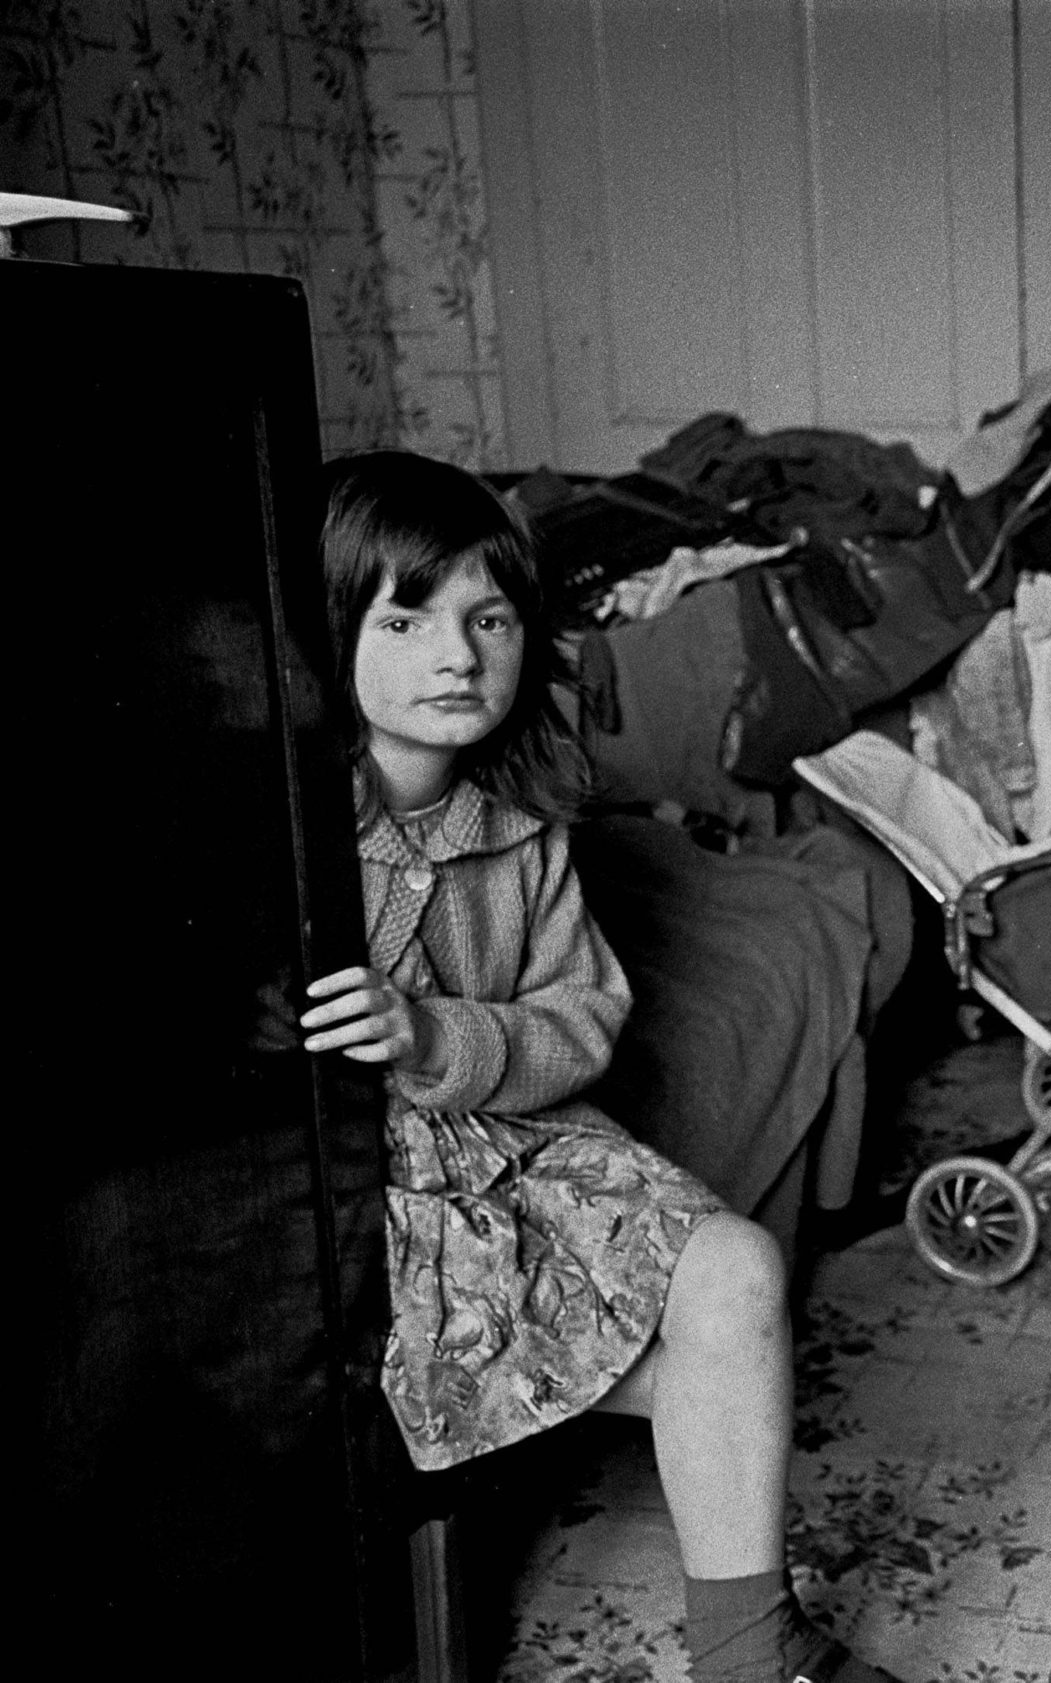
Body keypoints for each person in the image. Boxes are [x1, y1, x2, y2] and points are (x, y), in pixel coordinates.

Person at [296, 452, 896, 1683]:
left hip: (515, 1142)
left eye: (489, 619)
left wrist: (437, 1036)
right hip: (355, 1192)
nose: (456, 656)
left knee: (735, 1269)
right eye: (404, 620)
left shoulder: (522, 825)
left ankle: (745, 1649)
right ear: (325, 633)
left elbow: (582, 1018)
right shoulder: (295, 829)